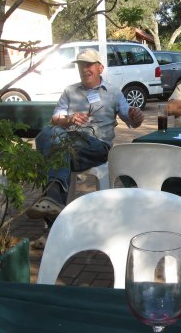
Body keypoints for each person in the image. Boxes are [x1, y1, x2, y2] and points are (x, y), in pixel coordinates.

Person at [26, 48, 144, 248]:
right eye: (81, 65)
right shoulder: (70, 91)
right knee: (48, 134)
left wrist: (135, 116)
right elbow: (56, 118)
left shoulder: (114, 92)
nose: (84, 69)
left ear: (100, 68)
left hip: (97, 146)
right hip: (68, 142)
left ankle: (53, 215)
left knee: (52, 143)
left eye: (88, 65)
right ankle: (54, 199)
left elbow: (131, 118)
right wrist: (69, 119)